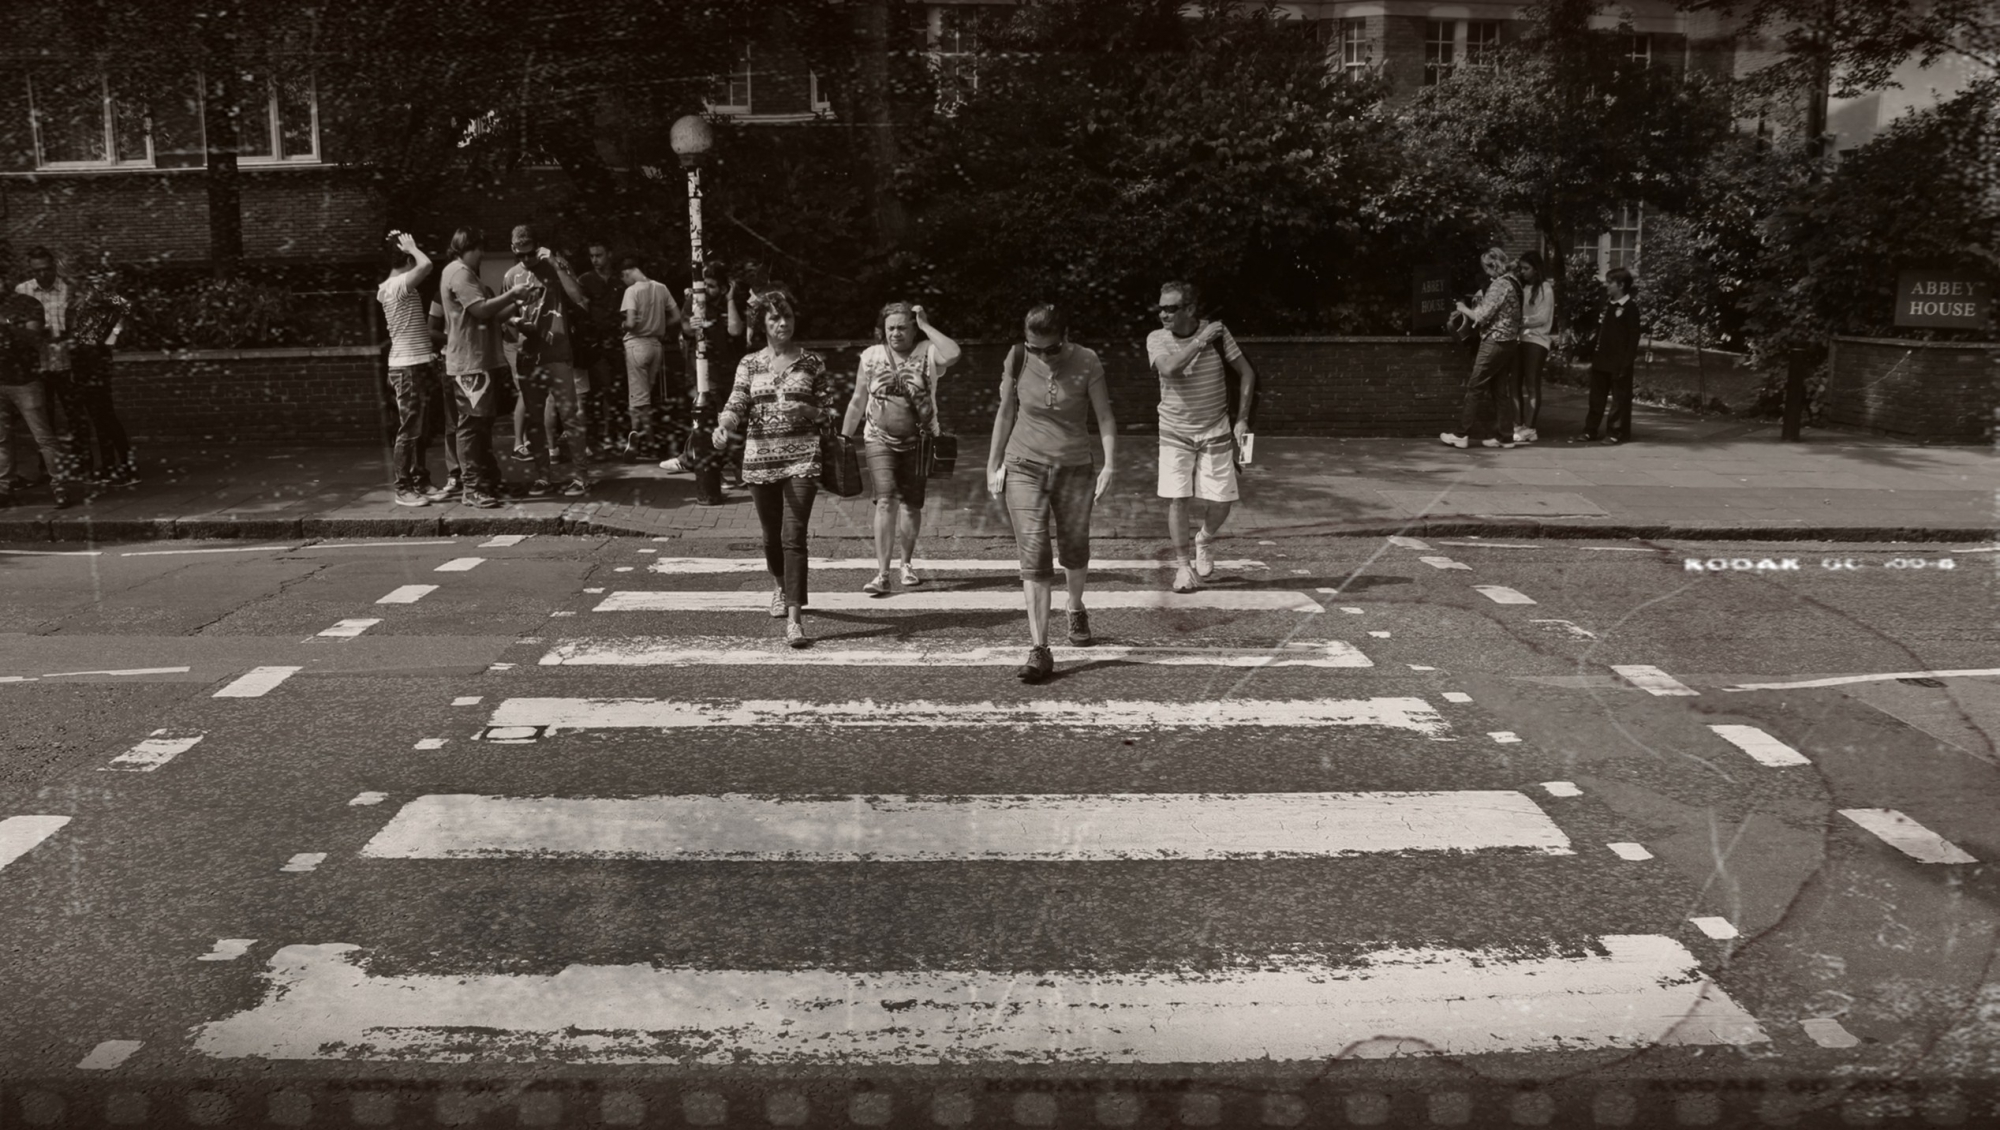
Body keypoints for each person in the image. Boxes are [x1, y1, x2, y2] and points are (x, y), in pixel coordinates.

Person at [986, 304, 1116, 685]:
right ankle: (1040, 648)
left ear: (1066, 336)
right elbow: (1006, 413)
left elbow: (1105, 415)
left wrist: (1110, 464)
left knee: (1074, 548)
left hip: (1075, 468)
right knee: (1034, 550)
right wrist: (994, 464)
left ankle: (1074, 606)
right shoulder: (1016, 357)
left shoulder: (1088, 361)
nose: (1041, 355)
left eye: (1050, 349)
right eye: (1034, 348)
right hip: (1023, 464)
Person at [715, 289, 835, 649]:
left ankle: (796, 619)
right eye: (774, 319)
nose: (783, 324)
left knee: (793, 536)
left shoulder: (812, 363)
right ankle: (780, 587)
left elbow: (830, 413)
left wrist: (811, 412)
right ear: (763, 325)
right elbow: (736, 401)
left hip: (803, 458)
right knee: (771, 537)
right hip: (760, 459)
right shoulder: (749, 364)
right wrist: (724, 425)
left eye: (787, 318)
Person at [841, 301, 962, 595]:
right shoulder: (870, 357)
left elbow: (954, 353)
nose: (895, 333)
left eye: (902, 327)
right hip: (878, 438)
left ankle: (905, 563)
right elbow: (858, 400)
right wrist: (843, 439)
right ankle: (882, 573)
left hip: (919, 441)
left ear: (912, 328)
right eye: (890, 327)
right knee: (886, 500)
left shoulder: (928, 352)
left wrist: (925, 325)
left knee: (911, 504)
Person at [1146, 280, 1257, 594]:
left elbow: (1246, 373)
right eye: (1161, 308)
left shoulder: (1218, 334)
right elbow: (1169, 370)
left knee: (1222, 499)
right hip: (1173, 429)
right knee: (1177, 498)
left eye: (1171, 308)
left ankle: (1204, 539)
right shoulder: (1157, 338)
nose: (1163, 314)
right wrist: (1199, 342)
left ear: (1190, 309)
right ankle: (1183, 567)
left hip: (1215, 428)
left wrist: (1243, 418)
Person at [439, 226, 534, 508]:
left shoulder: (462, 273)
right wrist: (513, 293)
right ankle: (473, 488)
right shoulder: (459, 273)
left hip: (479, 361)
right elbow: (480, 309)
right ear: (470, 247)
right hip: (470, 363)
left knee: (481, 426)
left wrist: (516, 301)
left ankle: (488, 481)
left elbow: (490, 318)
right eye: (480, 249)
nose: (482, 254)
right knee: (471, 427)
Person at [504, 225, 593, 496]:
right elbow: (505, 317)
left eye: (530, 254)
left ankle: (581, 476)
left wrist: (554, 262)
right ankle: (543, 476)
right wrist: (515, 322)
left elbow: (579, 298)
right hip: (529, 355)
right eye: (520, 256)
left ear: (538, 248)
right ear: (513, 251)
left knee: (570, 416)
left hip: (557, 354)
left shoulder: (554, 266)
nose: (526, 261)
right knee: (535, 420)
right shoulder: (511, 276)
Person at [377, 231, 441, 506]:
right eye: (410, 255)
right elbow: (427, 265)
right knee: (410, 428)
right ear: (405, 257)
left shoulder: (397, 284)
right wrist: (413, 248)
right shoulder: (397, 284)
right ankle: (403, 487)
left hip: (417, 362)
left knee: (420, 427)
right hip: (407, 367)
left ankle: (420, 480)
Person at [1443, 247, 1522, 450]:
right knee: (1499, 390)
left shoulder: (1499, 285)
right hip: (1509, 341)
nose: (1485, 273)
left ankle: (1461, 434)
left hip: (1495, 340)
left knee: (1475, 386)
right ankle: (1505, 436)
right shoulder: (1514, 282)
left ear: (1493, 265)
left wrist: (1462, 309)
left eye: (1486, 268)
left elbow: (1482, 316)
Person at [0, 290, 73, 508]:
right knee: (1, 440)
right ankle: (5, 490)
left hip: (25, 381)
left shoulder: (25, 304)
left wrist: (4, 325)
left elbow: (34, 338)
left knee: (44, 437)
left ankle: (61, 488)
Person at [66, 259, 135, 485]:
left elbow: (128, 308)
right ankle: (108, 466)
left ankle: (127, 466)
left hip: (96, 359)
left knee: (105, 414)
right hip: (81, 359)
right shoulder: (80, 298)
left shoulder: (108, 296)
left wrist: (111, 339)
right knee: (97, 416)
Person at [620, 255, 682, 460]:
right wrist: (661, 328)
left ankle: (645, 441)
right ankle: (646, 439)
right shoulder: (661, 288)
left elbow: (630, 323)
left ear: (628, 273)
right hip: (656, 346)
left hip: (636, 344)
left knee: (639, 398)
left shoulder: (632, 291)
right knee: (645, 394)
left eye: (624, 277)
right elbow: (677, 316)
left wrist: (623, 326)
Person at [1577, 267, 1642, 444]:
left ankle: (1616, 431)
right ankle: (1590, 429)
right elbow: (1600, 332)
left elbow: (1633, 339)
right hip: (1602, 359)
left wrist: (1627, 363)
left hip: (1619, 362)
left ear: (1620, 285)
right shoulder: (1606, 306)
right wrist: (1587, 351)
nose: (1606, 285)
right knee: (1596, 398)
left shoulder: (1630, 308)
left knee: (1619, 400)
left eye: (1609, 282)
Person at [577, 239, 624, 456]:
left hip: (617, 341)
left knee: (614, 392)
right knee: (595, 392)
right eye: (592, 256)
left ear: (609, 254)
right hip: (595, 343)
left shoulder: (620, 280)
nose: (595, 260)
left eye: (599, 255)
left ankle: (611, 435)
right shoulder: (585, 280)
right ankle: (597, 438)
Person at [1514, 251, 1553, 444]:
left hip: (1536, 341)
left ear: (1536, 269)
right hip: (1519, 340)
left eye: (1526, 268)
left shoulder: (1545, 288)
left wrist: (1519, 321)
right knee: (1513, 383)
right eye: (1520, 268)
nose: (1522, 272)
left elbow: (1542, 317)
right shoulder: (1521, 288)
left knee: (1531, 384)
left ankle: (1530, 427)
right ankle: (1517, 424)